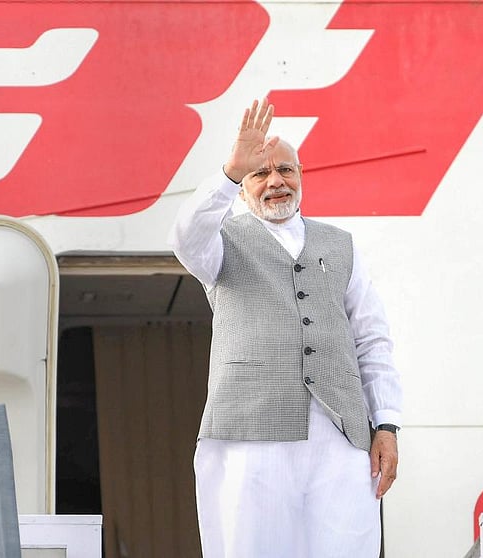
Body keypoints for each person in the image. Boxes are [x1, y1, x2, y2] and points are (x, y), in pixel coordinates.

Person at [168, 99, 403, 558]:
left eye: (286, 170)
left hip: (340, 436)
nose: (275, 181)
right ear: (242, 189)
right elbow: (184, 236)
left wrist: (387, 425)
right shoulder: (219, 243)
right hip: (251, 434)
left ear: (301, 176)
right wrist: (230, 170)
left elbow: (372, 339)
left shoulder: (342, 247)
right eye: (260, 173)